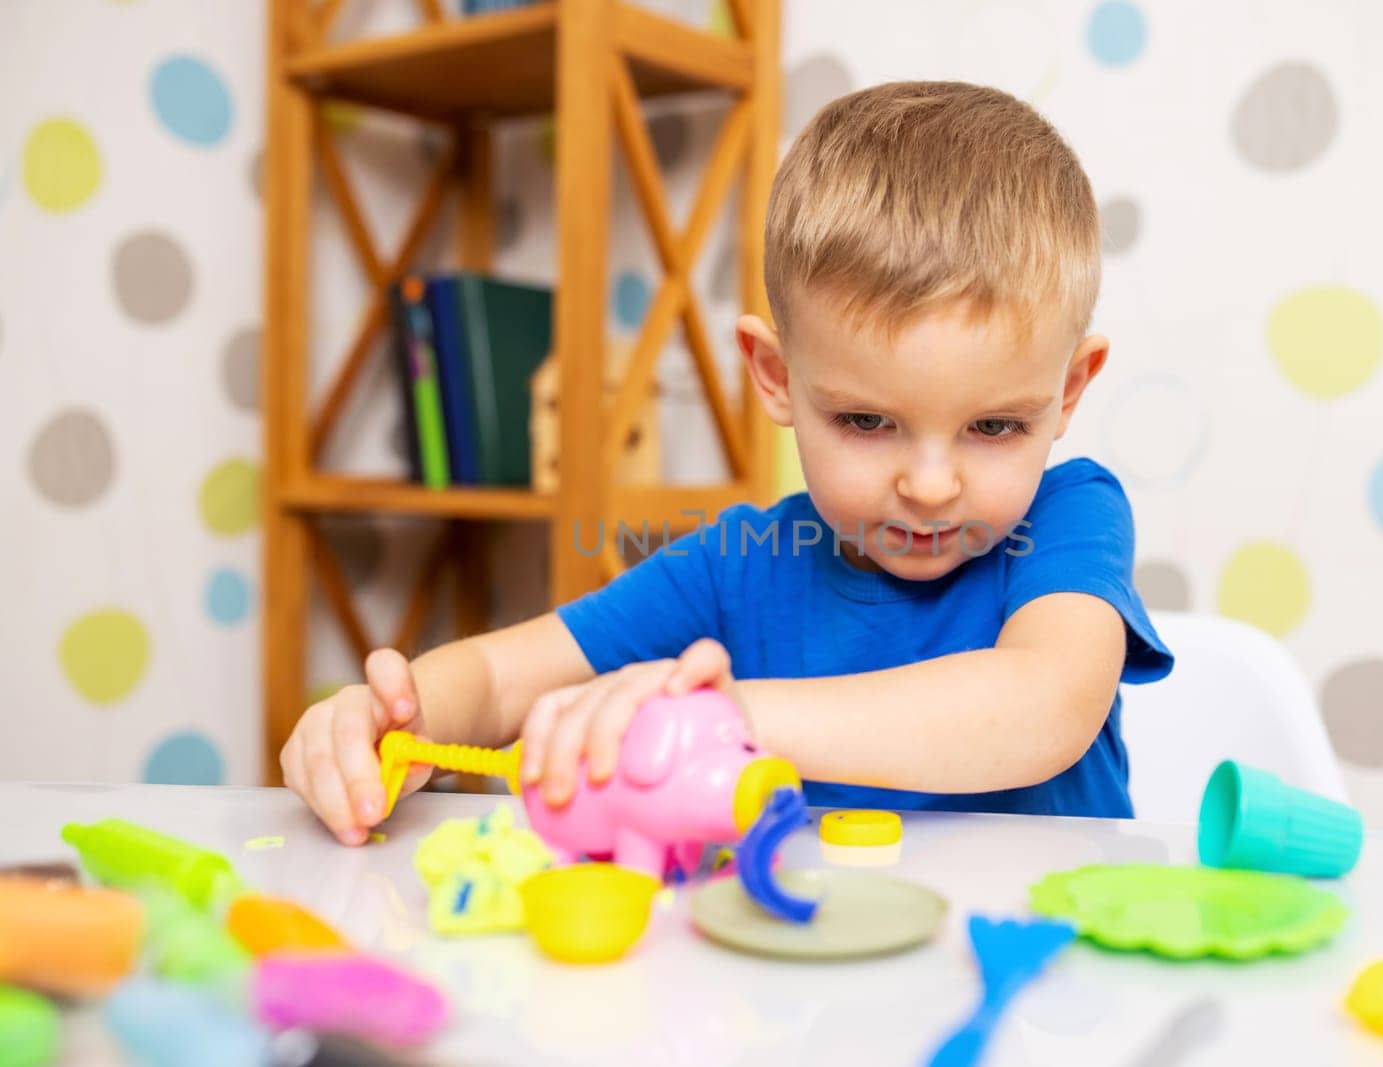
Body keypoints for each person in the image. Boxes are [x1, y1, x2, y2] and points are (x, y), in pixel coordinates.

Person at [281, 81, 1174, 846]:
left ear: (1070, 390)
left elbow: (1039, 708)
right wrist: (397, 719)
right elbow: (500, 675)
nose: (931, 485)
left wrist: (733, 715)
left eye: (993, 428)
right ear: (777, 378)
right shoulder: (742, 562)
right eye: (868, 419)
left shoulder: (1070, 517)